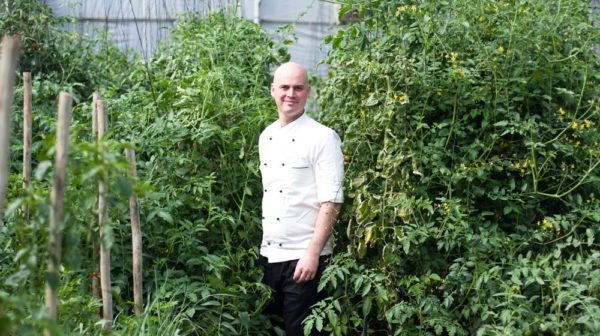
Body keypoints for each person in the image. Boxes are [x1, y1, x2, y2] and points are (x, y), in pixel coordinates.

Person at [258, 62, 344, 336]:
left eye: (298, 88)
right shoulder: (266, 136)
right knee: (272, 330)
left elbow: (332, 201)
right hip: (269, 255)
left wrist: (312, 254)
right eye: (284, 87)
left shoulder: (323, 137)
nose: (290, 94)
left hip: (305, 259)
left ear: (308, 92)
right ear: (273, 90)